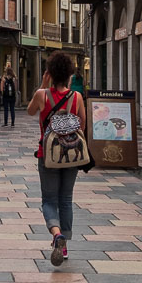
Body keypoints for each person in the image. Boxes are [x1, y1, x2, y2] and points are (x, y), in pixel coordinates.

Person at [27, 52, 86, 267]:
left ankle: (56, 233)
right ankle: (65, 244)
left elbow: (30, 111)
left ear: (50, 73)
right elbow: (82, 126)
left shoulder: (42, 95)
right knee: (66, 199)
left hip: (48, 155)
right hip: (71, 155)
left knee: (49, 200)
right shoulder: (76, 97)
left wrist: (42, 85)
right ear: (69, 74)